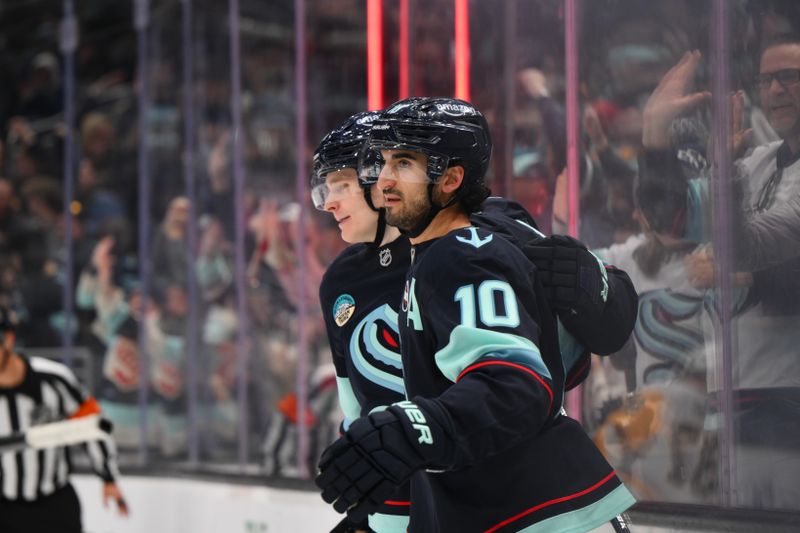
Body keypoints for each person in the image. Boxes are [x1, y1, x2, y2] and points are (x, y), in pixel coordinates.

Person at [315, 98, 636, 532]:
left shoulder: (471, 246)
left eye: (342, 183)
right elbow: (374, 421)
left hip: (536, 505)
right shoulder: (367, 274)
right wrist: (370, 515)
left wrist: (597, 286)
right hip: (467, 506)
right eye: (382, 163)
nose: (330, 203)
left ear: (449, 179)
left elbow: (520, 381)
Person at [640, 35, 800, 510]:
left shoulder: (742, 165)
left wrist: (743, 274)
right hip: (732, 393)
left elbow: (745, 249)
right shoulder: (757, 161)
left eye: (788, 77)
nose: (775, 90)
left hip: (787, 394)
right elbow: (671, 219)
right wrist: (655, 134)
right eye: (766, 80)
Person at [0, 305, 128, 533]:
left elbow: (93, 425)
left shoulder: (53, 379)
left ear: (8, 339)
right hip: (5, 509)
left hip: (55, 506)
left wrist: (108, 477)